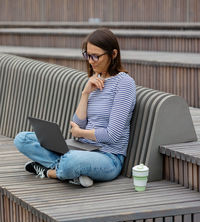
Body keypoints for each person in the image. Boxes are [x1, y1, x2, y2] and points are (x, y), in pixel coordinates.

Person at [14, 28, 136, 188]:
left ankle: (48, 171)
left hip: (108, 157)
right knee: (22, 139)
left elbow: (112, 135)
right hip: (82, 148)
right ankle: (74, 174)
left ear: (113, 54)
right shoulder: (95, 80)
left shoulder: (124, 84)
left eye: (96, 56)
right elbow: (77, 122)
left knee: (71, 160)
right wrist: (85, 93)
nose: (90, 61)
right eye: (87, 55)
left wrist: (80, 133)